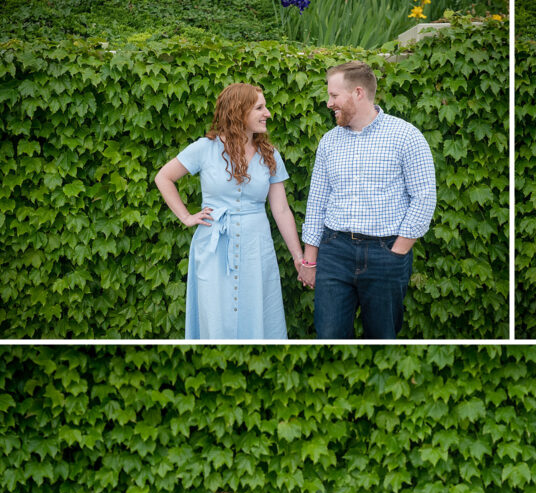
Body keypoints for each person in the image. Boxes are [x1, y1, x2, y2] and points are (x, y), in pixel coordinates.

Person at [298, 61, 437, 340]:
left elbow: (424, 198)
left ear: (358, 93)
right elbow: (317, 202)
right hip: (334, 252)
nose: (328, 103)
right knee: (329, 336)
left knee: (382, 338)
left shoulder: (406, 136)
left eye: (334, 96)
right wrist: (310, 261)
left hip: (385, 253)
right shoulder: (329, 141)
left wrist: (397, 252)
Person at [155, 83, 304, 339]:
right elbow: (164, 177)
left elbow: (280, 209)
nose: (267, 113)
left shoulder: (270, 155)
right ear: (239, 111)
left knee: (257, 310)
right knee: (215, 314)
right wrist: (187, 217)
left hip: (256, 247)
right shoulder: (204, 148)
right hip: (213, 247)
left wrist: (298, 258)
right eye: (259, 107)